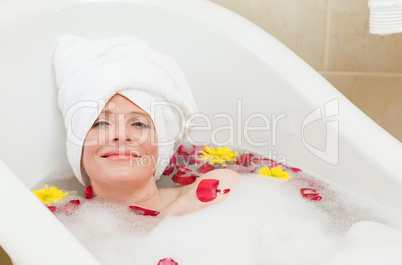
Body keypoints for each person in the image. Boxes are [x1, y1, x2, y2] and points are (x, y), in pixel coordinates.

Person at [53, 34, 240, 219]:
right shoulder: (58, 227)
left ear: (162, 147)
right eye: (101, 123)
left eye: (139, 123)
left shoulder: (217, 194)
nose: (121, 135)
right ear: (77, 151)